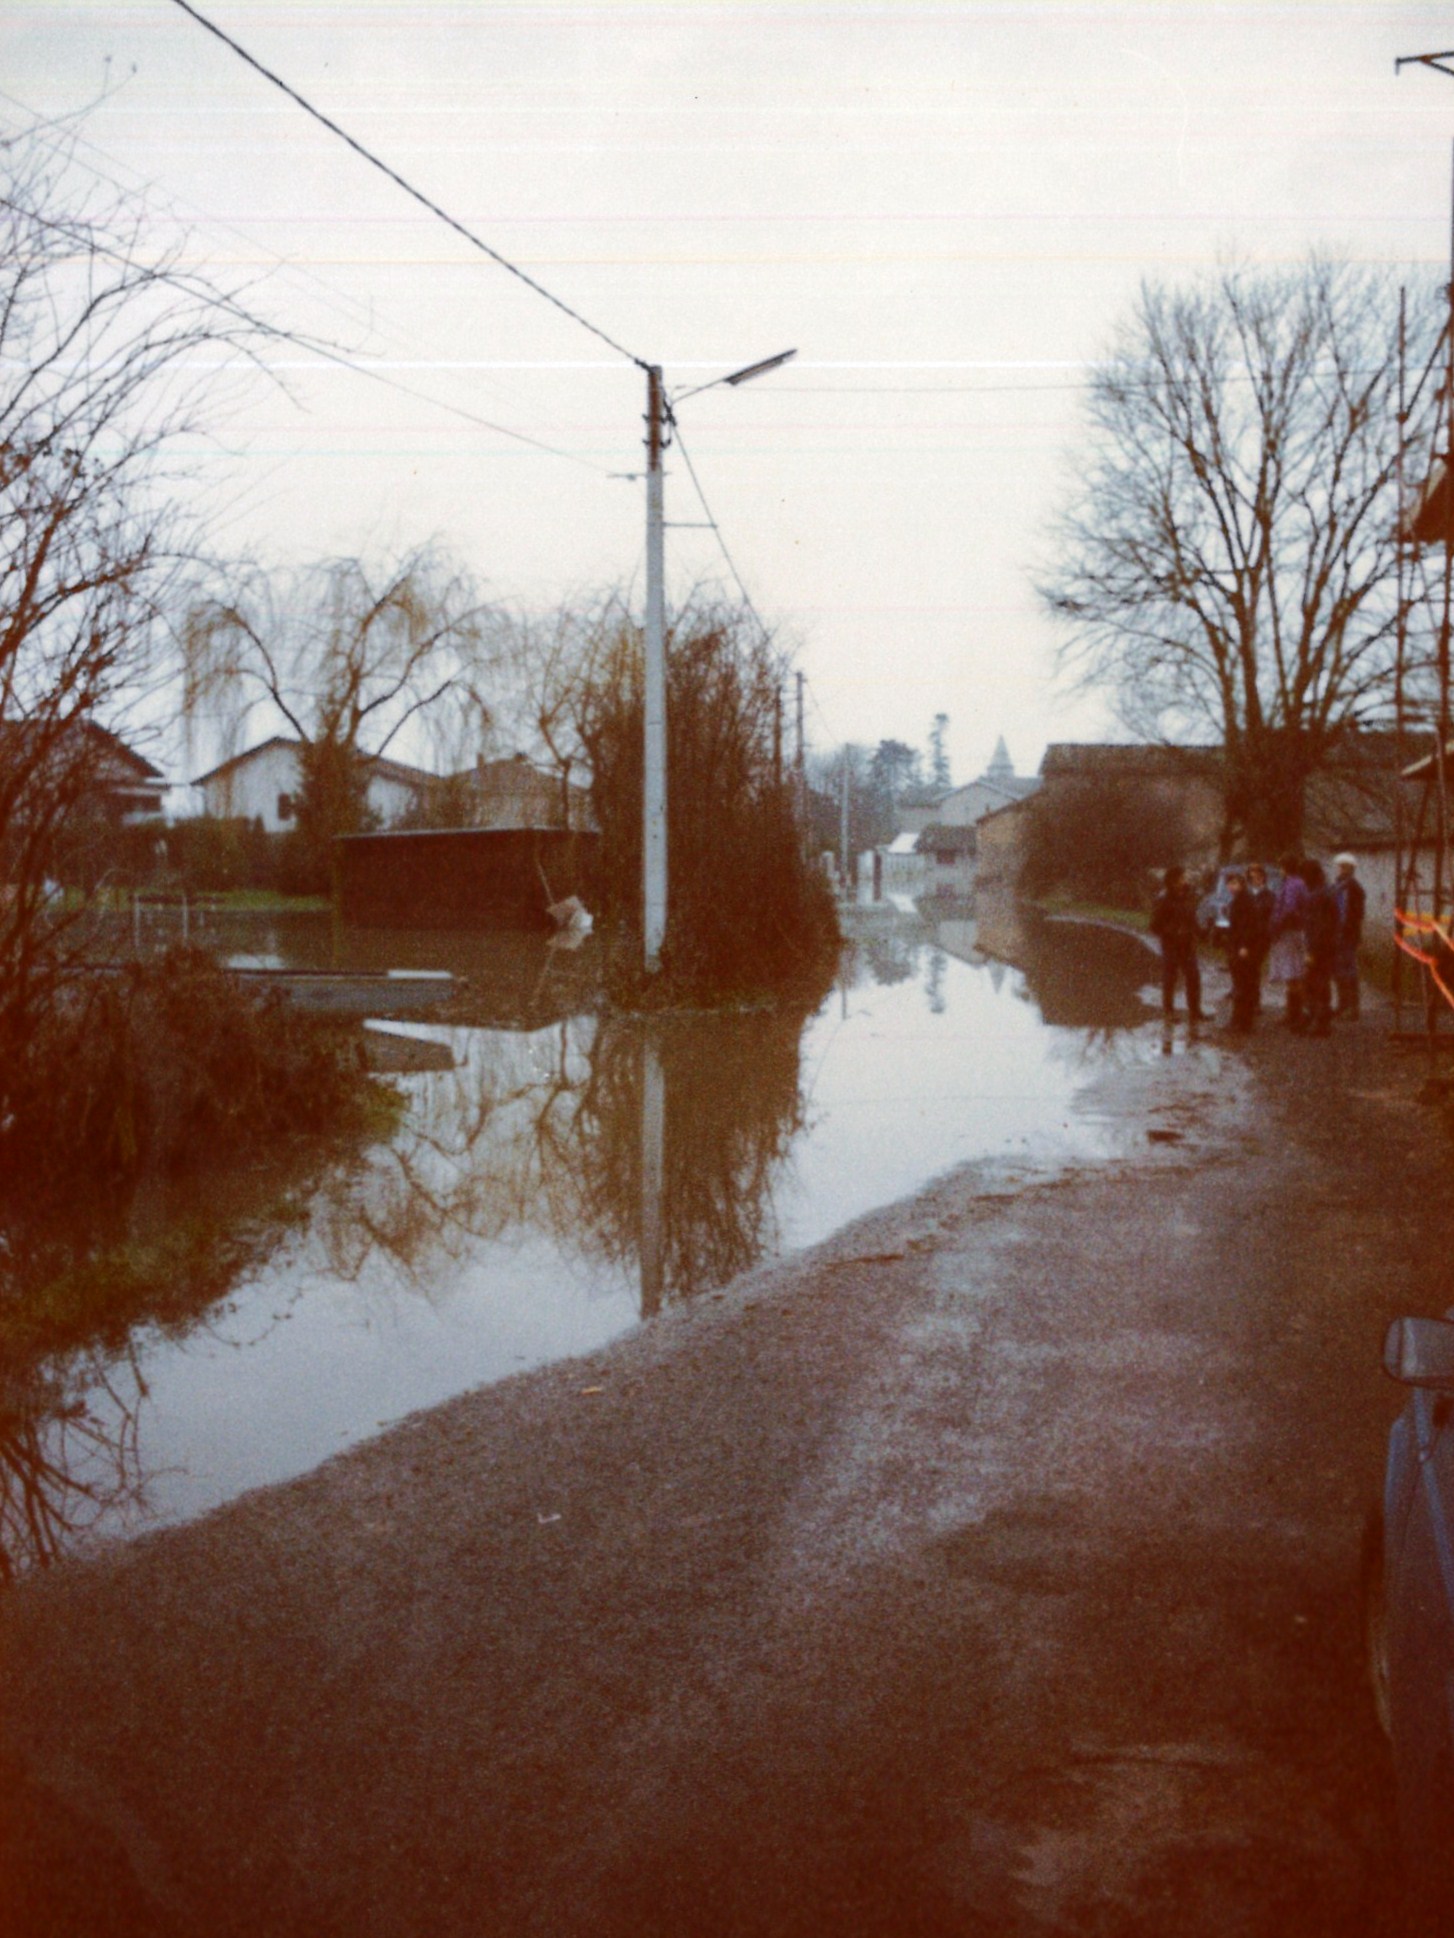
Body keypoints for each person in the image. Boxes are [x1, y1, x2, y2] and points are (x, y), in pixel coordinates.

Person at [1149, 864, 1205, 1021]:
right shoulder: (1164, 899)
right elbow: (1154, 926)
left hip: (1187, 943)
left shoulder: (1188, 896)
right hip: (1171, 944)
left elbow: (1192, 919)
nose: (1186, 879)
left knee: (1193, 977)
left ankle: (1195, 1011)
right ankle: (1169, 1011)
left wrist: (1200, 932)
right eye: (1183, 877)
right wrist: (1171, 932)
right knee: (1170, 978)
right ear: (1174, 880)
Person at [1267, 853, 1309, 1031]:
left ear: (1285, 868)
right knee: (1293, 972)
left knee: (1292, 973)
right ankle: (1292, 1012)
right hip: (1295, 930)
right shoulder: (1300, 883)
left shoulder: (1292, 884)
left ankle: (1297, 1014)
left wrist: (1277, 926)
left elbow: (1289, 908)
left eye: (1281, 867)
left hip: (1289, 931)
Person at [1302, 857, 1338, 1037]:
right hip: (1326, 944)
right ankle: (1319, 1018)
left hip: (1319, 946)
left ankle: (1320, 1021)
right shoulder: (1324, 892)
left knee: (1317, 982)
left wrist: (1311, 949)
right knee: (1318, 981)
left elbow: (1318, 925)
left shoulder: (1317, 896)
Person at [1223, 870, 1262, 1032]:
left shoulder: (1246, 901)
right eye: (1230, 884)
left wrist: (1245, 946)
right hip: (1236, 945)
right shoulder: (1237, 900)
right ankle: (1239, 1020)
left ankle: (1242, 1022)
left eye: (1235, 883)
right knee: (1240, 984)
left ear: (1242, 884)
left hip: (1243, 948)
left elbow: (1250, 925)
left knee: (1243, 985)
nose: (1232, 887)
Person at [1332, 852, 1366, 1020]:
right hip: (1336, 932)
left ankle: (1352, 1008)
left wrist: (1348, 929)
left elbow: (1356, 914)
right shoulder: (1337, 886)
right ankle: (1342, 1004)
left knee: (1349, 969)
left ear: (1351, 869)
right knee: (1338, 970)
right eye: (1340, 867)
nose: (1341, 870)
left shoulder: (1355, 889)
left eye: (1344, 867)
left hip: (1348, 934)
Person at [1246, 863, 1275, 1013]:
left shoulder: (1269, 895)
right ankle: (1248, 999)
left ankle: (1255, 1001)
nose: (1256, 880)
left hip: (1261, 937)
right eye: (1252, 878)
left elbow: (1270, 914)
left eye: (1258, 877)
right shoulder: (1246, 895)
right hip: (1247, 936)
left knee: (1254, 968)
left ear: (1263, 878)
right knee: (1247, 969)